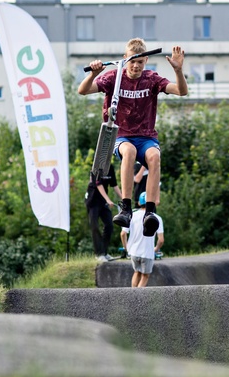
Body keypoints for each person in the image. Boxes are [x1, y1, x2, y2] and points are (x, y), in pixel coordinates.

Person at [78, 38, 187, 237]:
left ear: (145, 62)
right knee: (129, 151)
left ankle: (151, 213)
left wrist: (178, 70)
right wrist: (94, 73)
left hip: (146, 136)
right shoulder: (114, 78)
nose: (136, 66)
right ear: (124, 60)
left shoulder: (151, 79)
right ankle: (126, 208)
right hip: (122, 136)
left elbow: (181, 91)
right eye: (132, 61)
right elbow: (83, 90)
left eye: (140, 62)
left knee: (154, 157)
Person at [120, 192, 164, 288]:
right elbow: (161, 240)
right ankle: (138, 298)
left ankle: (132, 294)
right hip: (147, 252)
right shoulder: (156, 218)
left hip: (134, 251)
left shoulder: (132, 216)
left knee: (136, 272)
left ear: (139, 203)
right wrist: (156, 249)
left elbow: (123, 233)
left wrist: (126, 248)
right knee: (145, 275)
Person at [85, 162, 122, 262]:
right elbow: (98, 184)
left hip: (103, 201)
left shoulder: (110, 167)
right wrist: (108, 199)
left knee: (109, 225)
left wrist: (124, 198)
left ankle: (104, 252)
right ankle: (99, 254)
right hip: (93, 200)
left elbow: (114, 185)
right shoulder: (96, 167)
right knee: (95, 226)